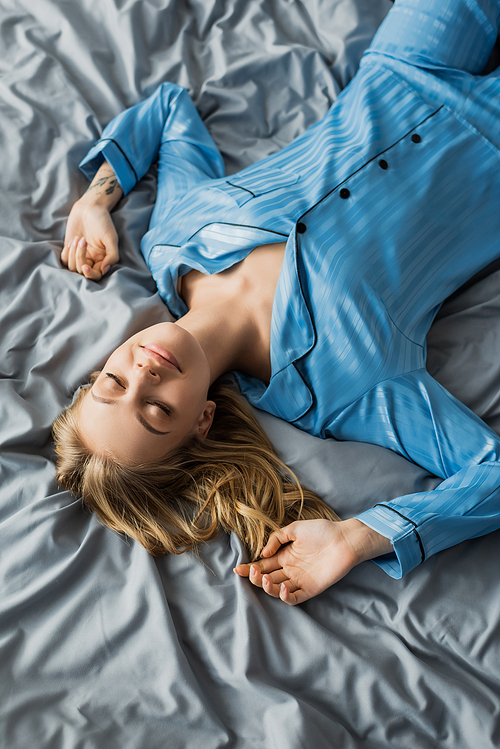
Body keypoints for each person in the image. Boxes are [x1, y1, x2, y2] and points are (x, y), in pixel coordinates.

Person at [54, 0, 500, 605]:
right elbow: (490, 471)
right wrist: (357, 537)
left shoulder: (173, 240)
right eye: (157, 411)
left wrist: (95, 201)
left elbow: (168, 112)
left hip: (403, 62)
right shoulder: (345, 389)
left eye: (113, 382)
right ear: (203, 422)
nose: (145, 374)